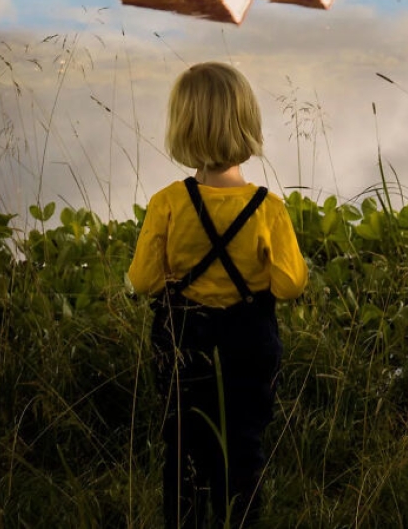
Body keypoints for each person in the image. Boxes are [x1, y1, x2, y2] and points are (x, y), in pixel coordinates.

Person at [128, 62, 308, 529]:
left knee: (184, 443)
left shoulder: (168, 203)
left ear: (182, 126)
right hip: (249, 340)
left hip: (182, 336)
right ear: (246, 123)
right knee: (245, 443)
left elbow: (144, 281)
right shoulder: (268, 207)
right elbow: (290, 285)